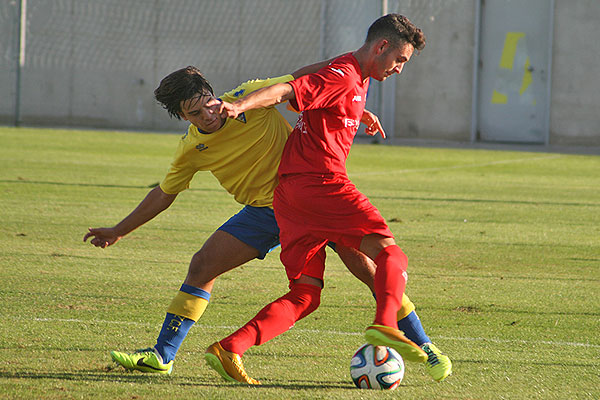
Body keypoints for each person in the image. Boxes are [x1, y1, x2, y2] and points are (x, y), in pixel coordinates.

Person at [83, 55, 449, 382]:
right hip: (265, 213)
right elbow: (164, 194)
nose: (208, 114)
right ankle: (163, 355)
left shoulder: (248, 98)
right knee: (203, 266)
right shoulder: (192, 149)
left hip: (313, 197)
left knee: (370, 272)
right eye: (195, 113)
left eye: (209, 104)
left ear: (215, 93)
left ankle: (425, 346)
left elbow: (305, 78)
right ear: (182, 117)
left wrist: (348, 106)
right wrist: (119, 230)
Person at [205, 14, 451, 384]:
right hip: (321, 184)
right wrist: (241, 106)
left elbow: (307, 85)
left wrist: (355, 111)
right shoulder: (344, 75)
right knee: (389, 253)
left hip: (290, 197)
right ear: (381, 46)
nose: (400, 69)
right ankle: (385, 325)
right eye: (399, 59)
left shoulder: (354, 76)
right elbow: (287, 90)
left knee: (306, 293)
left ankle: (230, 348)